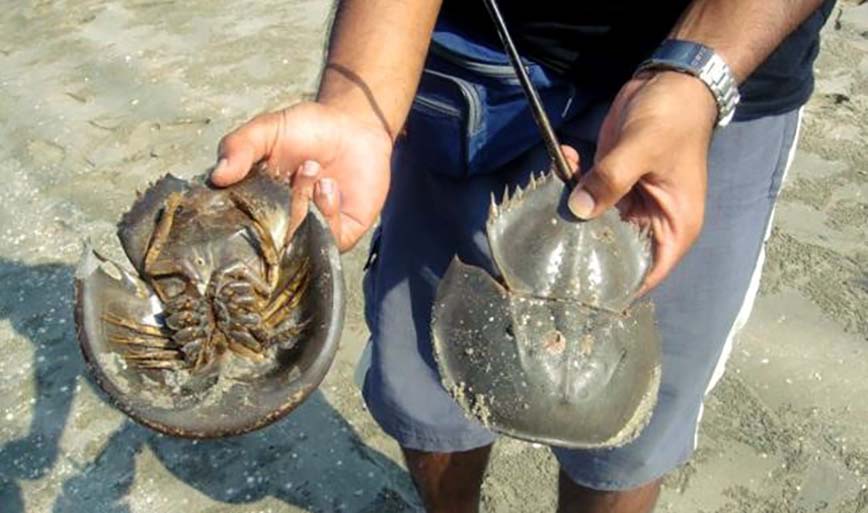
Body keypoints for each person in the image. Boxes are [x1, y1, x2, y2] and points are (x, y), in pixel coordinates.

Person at [210, 1, 836, 511]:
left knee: (631, 433)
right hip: (480, 55)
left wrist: (700, 70)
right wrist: (358, 101)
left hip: (731, 73)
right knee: (427, 379)